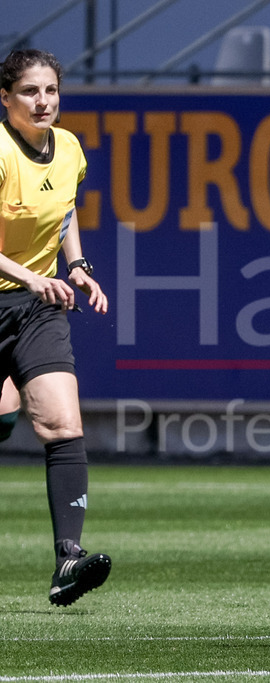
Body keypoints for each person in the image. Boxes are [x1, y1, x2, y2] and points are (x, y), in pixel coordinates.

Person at [0, 49, 112, 603]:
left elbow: (65, 209)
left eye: (50, 90)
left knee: (63, 425)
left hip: (37, 306)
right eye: (29, 92)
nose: (43, 101)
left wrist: (75, 266)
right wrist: (30, 275)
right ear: (5, 98)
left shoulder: (67, 147)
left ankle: (67, 561)